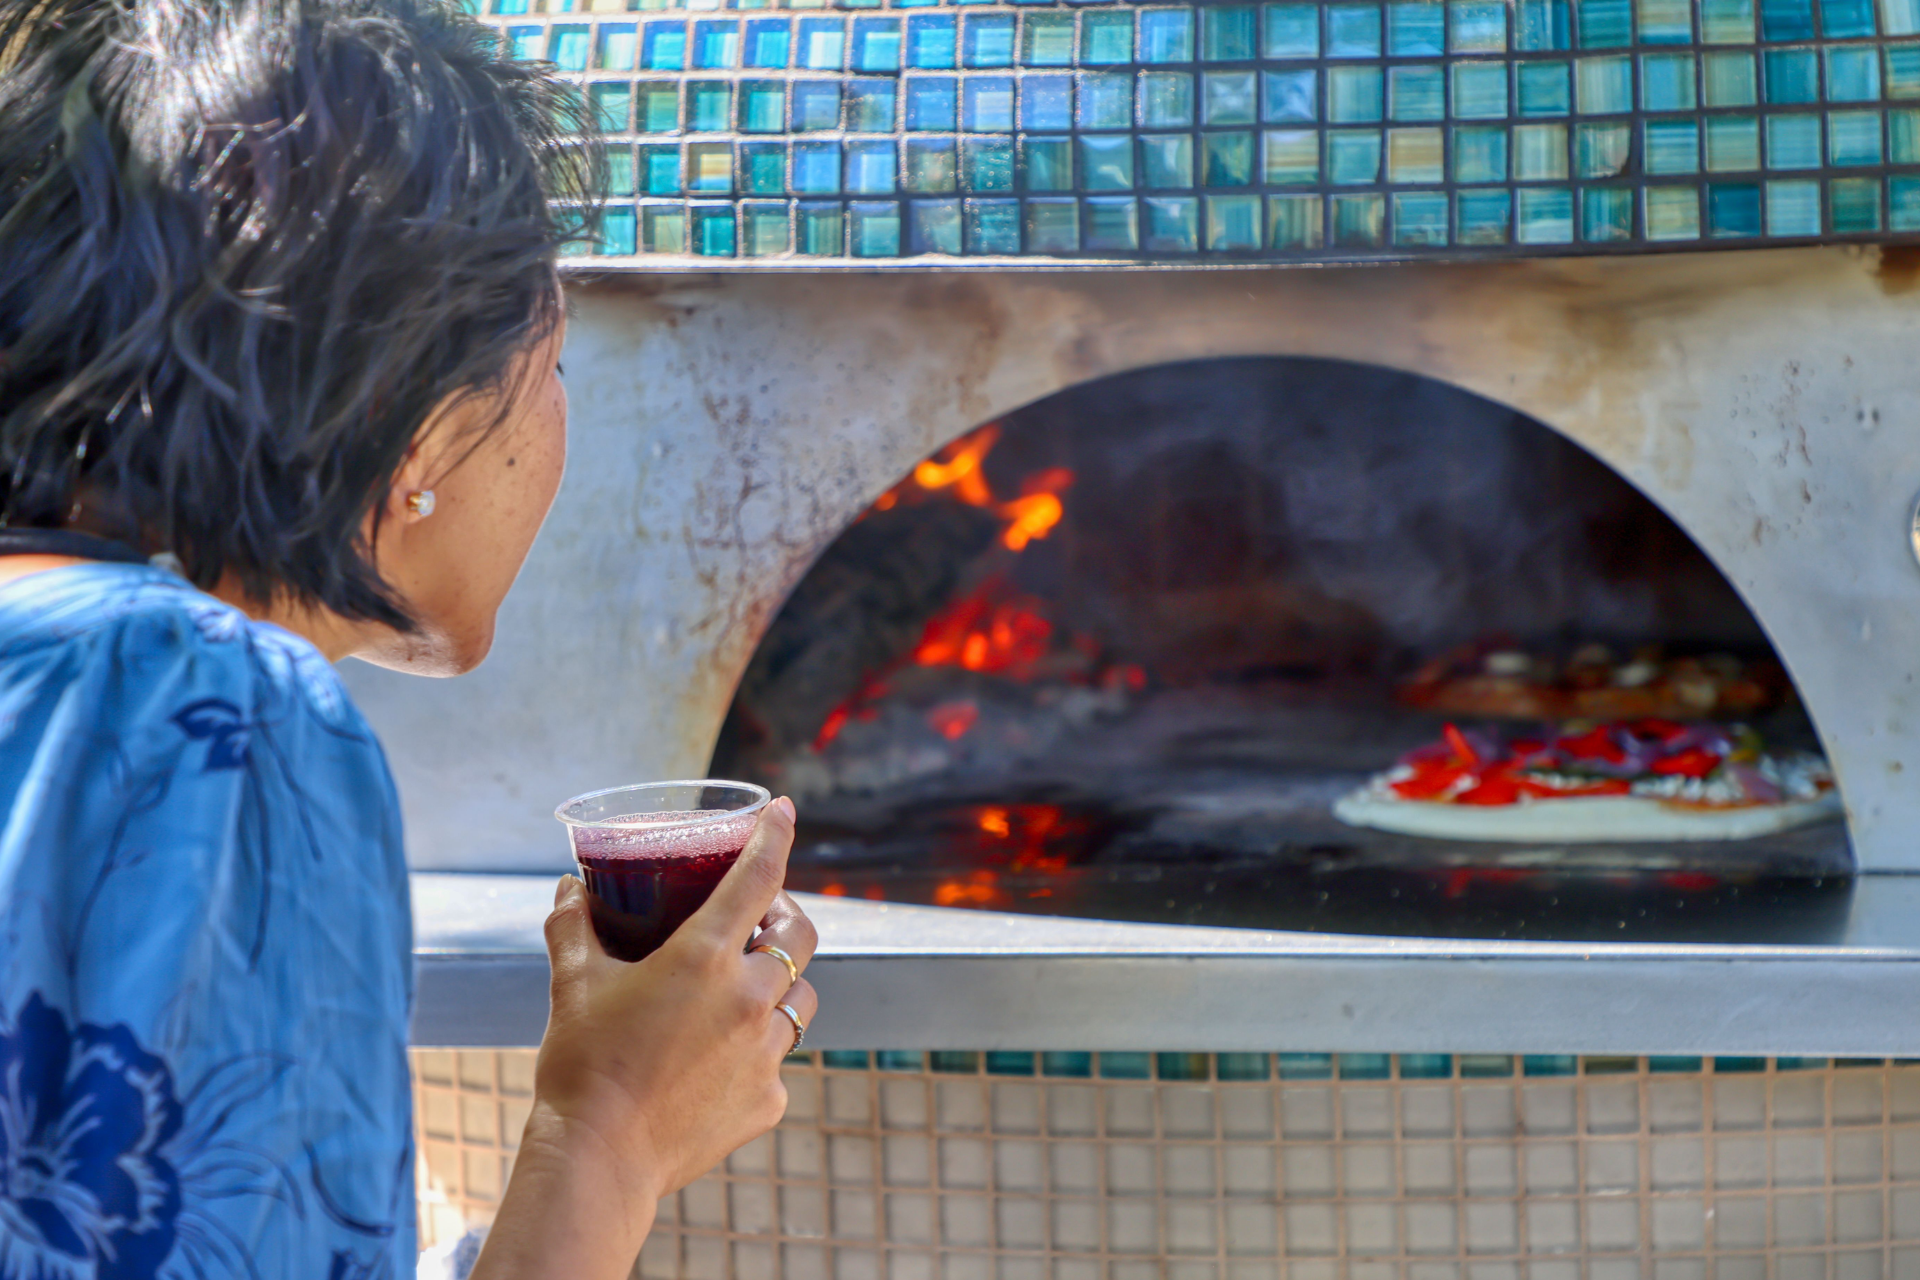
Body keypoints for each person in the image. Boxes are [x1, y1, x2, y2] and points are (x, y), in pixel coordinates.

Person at [0, 1, 819, 1276]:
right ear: (417, 423)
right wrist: (610, 1128)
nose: (558, 420)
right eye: (553, 363)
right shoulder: (209, 711)